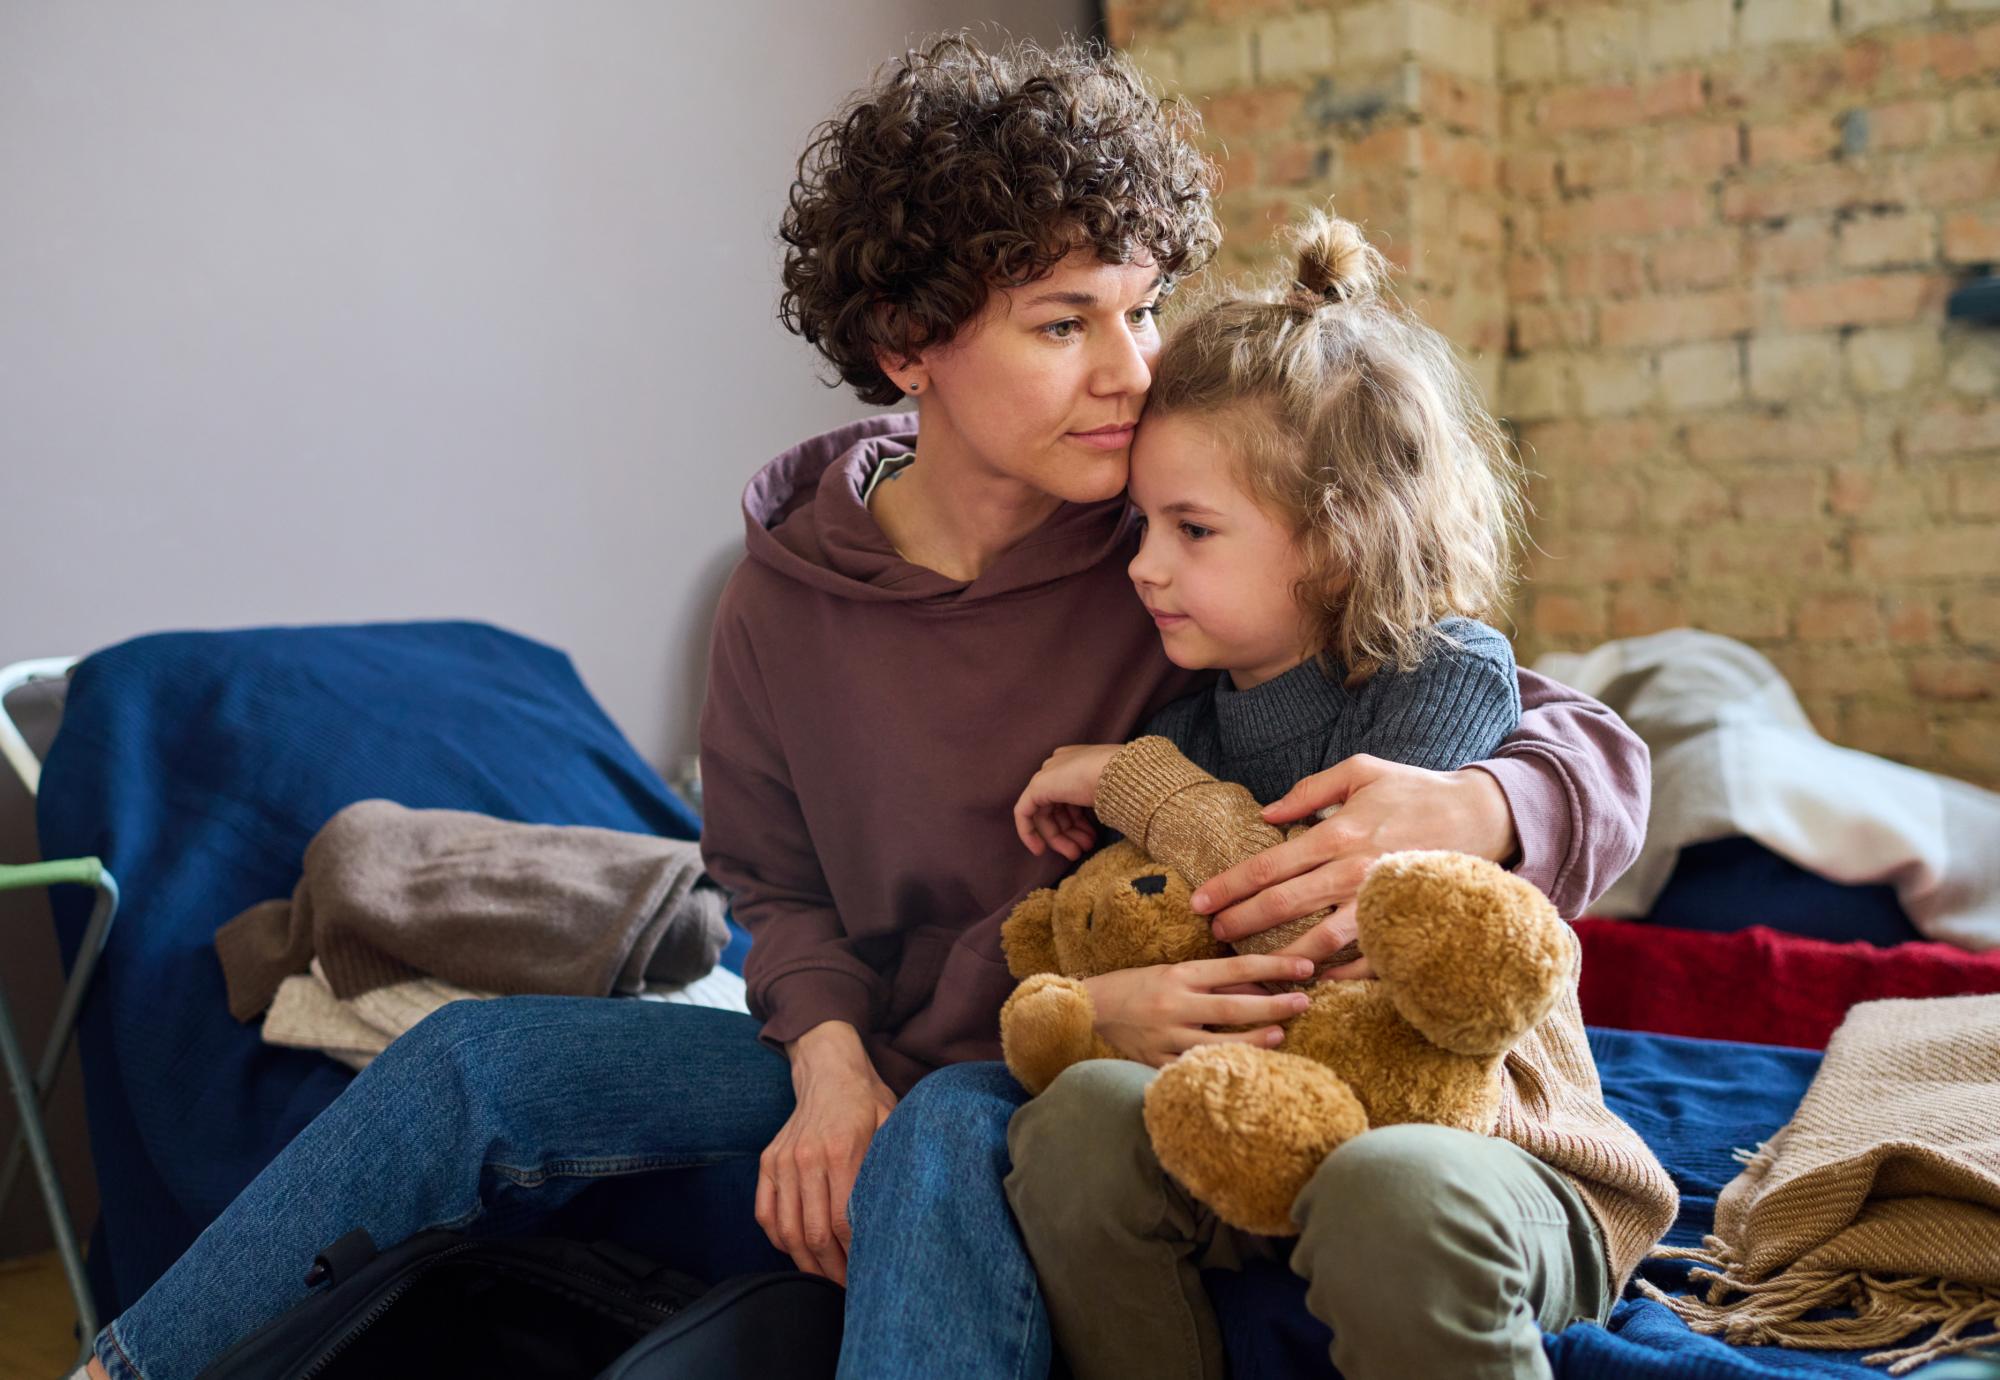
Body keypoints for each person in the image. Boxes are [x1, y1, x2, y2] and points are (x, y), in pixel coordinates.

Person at [82, 37, 1651, 1380]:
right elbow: (771, 883)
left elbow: (1537, 710)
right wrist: (825, 1058)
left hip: (1032, 1057)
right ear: (911, 351)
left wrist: (1483, 804)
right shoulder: (782, 601)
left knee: (948, 1140)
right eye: (1065, 322)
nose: (1133, 369)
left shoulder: (1171, 542)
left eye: (1144, 307)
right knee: (476, 1064)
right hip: (872, 1034)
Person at [1000, 211, 1677, 1380]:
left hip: (1489, 1150)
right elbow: (1157, 924)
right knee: (1070, 1123)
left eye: (1192, 530)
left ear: (1334, 544)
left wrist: (1134, 784)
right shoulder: (1186, 722)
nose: (1143, 566)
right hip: (1258, 1130)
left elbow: (1315, 921)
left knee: (1390, 1181)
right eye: (1141, 525)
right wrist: (1101, 1001)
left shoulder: (1437, 673)